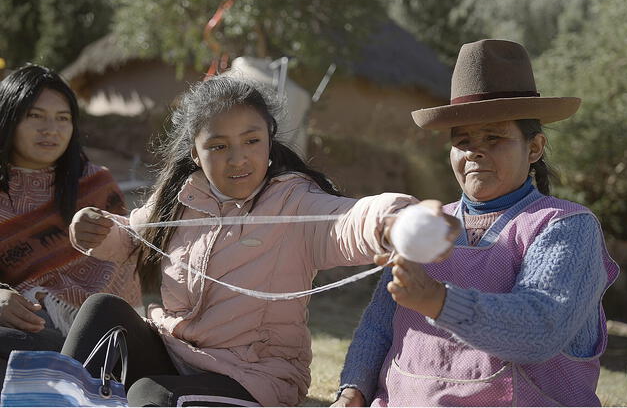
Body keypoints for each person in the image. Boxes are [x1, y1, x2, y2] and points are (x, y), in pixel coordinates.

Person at [62, 75, 448, 407]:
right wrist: (97, 231)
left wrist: (399, 221)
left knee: (152, 393)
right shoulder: (182, 200)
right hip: (175, 354)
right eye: (218, 146)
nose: (237, 159)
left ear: (269, 141)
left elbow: (349, 220)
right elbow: (131, 235)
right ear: (195, 153)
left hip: (254, 379)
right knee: (102, 311)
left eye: (251, 141)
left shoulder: (296, 204)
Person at [333, 39, 619, 407]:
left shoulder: (566, 227)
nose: (474, 151)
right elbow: (380, 324)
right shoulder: (426, 224)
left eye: (494, 137)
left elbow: (540, 329)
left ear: (534, 148)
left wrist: (437, 300)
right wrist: (353, 389)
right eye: (462, 140)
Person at [0, 65, 141, 386]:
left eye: (63, 118)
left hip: (99, 335)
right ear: (8, 117)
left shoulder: (95, 184)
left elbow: (129, 264)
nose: (51, 129)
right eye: (35, 116)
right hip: (24, 323)